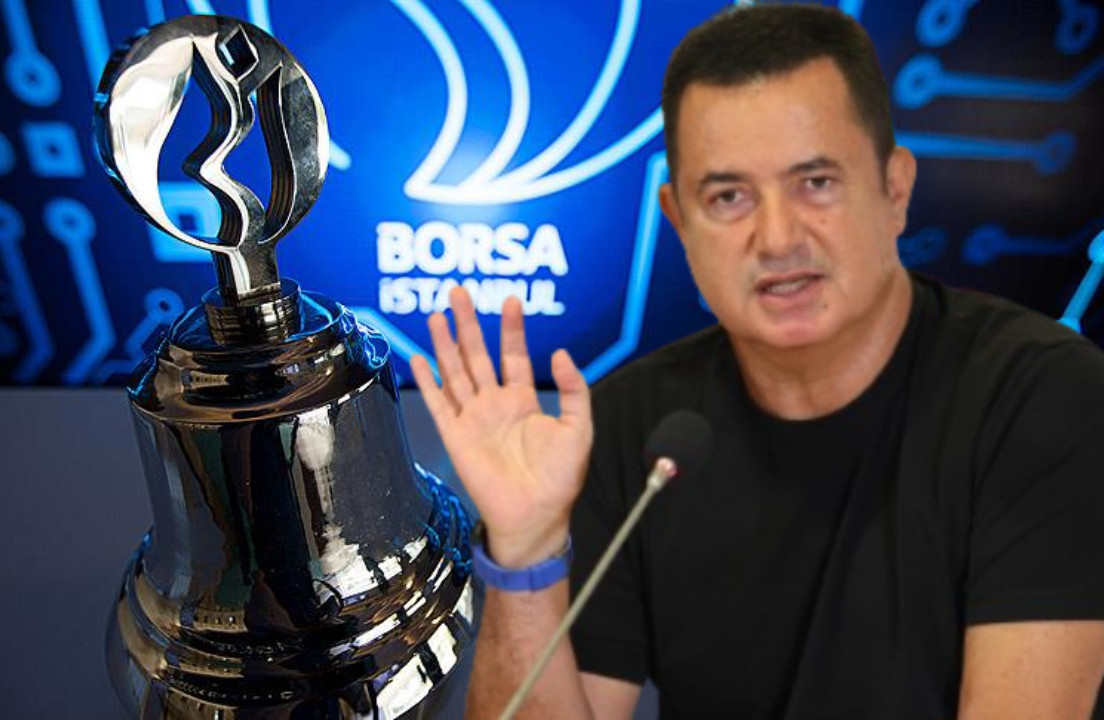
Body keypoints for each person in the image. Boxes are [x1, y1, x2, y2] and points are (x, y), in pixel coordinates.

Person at [409, 3, 1104, 719]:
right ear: (679, 219)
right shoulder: (631, 426)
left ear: (895, 190)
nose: (776, 237)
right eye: (729, 196)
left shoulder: (1043, 395)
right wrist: (528, 552)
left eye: (816, 182)